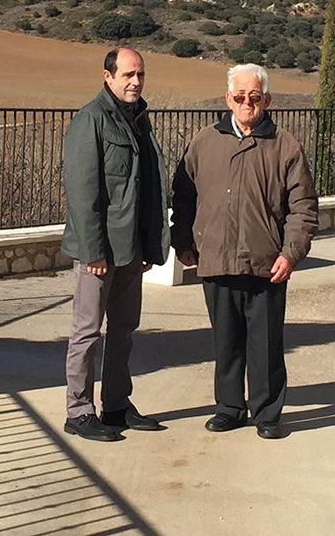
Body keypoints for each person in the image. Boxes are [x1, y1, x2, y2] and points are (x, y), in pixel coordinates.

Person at [171, 64, 318, 439]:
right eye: (239, 96)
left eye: (254, 96)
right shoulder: (203, 141)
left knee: (266, 344)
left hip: (267, 263)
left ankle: (267, 413)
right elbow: (184, 197)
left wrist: (291, 252)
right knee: (226, 342)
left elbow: (304, 207)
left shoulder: (285, 145)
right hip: (216, 259)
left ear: (266, 100)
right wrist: (183, 241)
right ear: (227, 99)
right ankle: (230, 407)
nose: (246, 102)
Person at [62, 47, 170, 441]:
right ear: (107, 77)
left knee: (124, 329)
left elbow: (145, 188)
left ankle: (116, 407)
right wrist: (92, 251)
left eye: (140, 74)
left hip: (132, 248)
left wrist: (149, 245)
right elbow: (82, 191)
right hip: (100, 252)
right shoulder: (90, 120)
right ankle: (78, 411)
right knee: (87, 332)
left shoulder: (139, 119)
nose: (135, 81)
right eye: (127, 75)